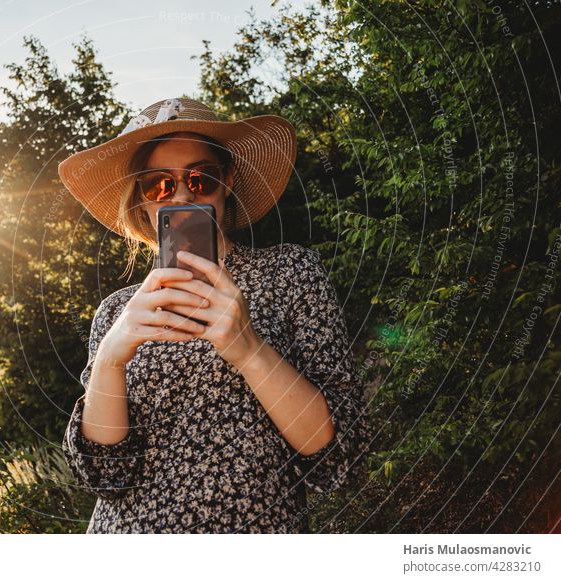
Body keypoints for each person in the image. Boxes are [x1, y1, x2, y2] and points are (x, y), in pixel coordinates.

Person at [57, 97, 371, 533]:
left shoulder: (290, 272)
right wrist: (110, 358)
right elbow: (107, 475)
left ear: (227, 181)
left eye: (201, 177)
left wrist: (248, 349)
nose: (182, 193)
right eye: (159, 184)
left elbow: (338, 453)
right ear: (141, 201)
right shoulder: (117, 310)